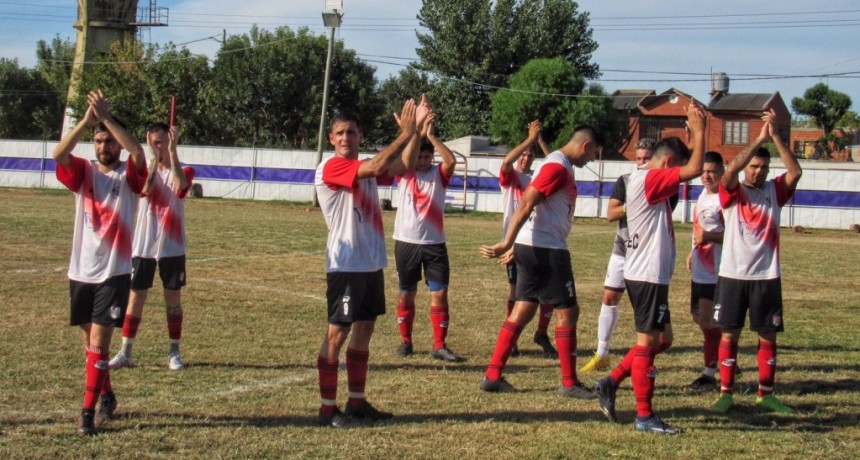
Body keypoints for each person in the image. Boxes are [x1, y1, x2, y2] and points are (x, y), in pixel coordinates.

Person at [314, 97, 427, 427]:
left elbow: (404, 164)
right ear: (331, 139)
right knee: (337, 334)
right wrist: (405, 133)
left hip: (369, 264)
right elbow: (379, 167)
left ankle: (357, 402)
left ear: (360, 136)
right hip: (346, 265)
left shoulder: (363, 166)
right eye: (340, 133)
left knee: (364, 330)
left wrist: (416, 132)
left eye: (351, 132)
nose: (345, 138)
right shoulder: (331, 167)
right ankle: (327, 410)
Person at [594, 102, 705, 435]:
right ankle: (644, 415)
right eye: (676, 170)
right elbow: (695, 169)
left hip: (648, 273)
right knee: (647, 344)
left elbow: (688, 167)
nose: (677, 179)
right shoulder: (651, 178)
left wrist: (692, 134)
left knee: (663, 339)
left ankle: (611, 380)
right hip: (646, 274)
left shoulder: (647, 178)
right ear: (668, 164)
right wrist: (700, 130)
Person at [479, 125, 604, 398]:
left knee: (523, 309)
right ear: (585, 146)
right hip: (547, 249)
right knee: (568, 312)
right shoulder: (557, 167)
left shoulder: (558, 163)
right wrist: (507, 242)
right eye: (593, 153)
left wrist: (517, 243)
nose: (592, 159)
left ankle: (492, 375)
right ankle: (569, 383)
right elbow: (526, 202)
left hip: (534, 245)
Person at [53, 90, 147, 437]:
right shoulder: (83, 171)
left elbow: (138, 153)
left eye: (108, 141)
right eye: (97, 141)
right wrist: (86, 121)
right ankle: (107, 395)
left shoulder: (129, 175)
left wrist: (106, 118)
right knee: (90, 346)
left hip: (114, 273)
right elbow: (59, 154)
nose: (103, 146)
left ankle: (86, 413)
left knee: (99, 344)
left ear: (117, 144)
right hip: (81, 270)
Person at [711, 109, 802, 415]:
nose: (758, 172)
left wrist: (775, 137)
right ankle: (726, 393)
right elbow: (729, 171)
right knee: (729, 334)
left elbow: (795, 172)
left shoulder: (774, 191)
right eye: (753, 167)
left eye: (763, 167)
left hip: (766, 275)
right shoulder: (732, 192)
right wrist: (757, 140)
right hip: (733, 275)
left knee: (768, 334)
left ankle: (766, 394)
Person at [109, 122, 195, 371]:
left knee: (173, 300)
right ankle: (126, 352)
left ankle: (174, 352)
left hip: (172, 247)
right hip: (143, 245)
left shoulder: (185, 169)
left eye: (164, 143)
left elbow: (180, 186)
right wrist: (154, 161)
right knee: (136, 298)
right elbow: (145, 189)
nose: (160, 148)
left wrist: (173, 151)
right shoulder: (143, 170)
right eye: (155, 143)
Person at [392, 111, 464, 362]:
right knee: (406, 293)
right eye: (419, 156)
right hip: (406, 242)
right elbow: (403, 156)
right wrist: (414, 131)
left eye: (426, 156)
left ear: (431, 157)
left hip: (435, 244)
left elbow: (451, 161)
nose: (422, 161)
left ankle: (439, 345)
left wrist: (431, 136)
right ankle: (405, 341)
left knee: (440, 293)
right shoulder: (404, 172)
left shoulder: (438, 174)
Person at [580, 138, 655, 372]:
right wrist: (632, 205)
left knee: (643, 307)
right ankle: (602, 354)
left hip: (647, 253)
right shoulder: (625, 180)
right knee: (609, 297)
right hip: (623, 248)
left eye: (647, 159)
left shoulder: (661, 183)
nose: (642, 163)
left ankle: (645, 357)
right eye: (639, 158)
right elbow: (611, 214)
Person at [497, 120, 557, 358]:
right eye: (522, 154)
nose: (525, 158)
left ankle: (541, 333)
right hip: (513, 242)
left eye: (530, 155)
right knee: (516, 291)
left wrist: (539, 140)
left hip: (538, 240)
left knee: (548, 290)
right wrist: (529, 140)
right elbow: (506, 162)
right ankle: (512, 340)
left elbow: (557, 163)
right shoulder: (511, 178)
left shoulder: (538, 178)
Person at [686, 151, 725, 390]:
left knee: (709, 322)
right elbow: (698, 230)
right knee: (698, 317)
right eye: (703, 171)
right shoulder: (703, 194)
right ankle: (724, 356)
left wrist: (709, 236)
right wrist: (693, 251)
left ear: (722, 171)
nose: (706, 176)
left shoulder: (725, 199)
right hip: (700, 268)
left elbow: (736, 235)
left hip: (715, 271)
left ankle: (709, 374)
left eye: (711, 171)